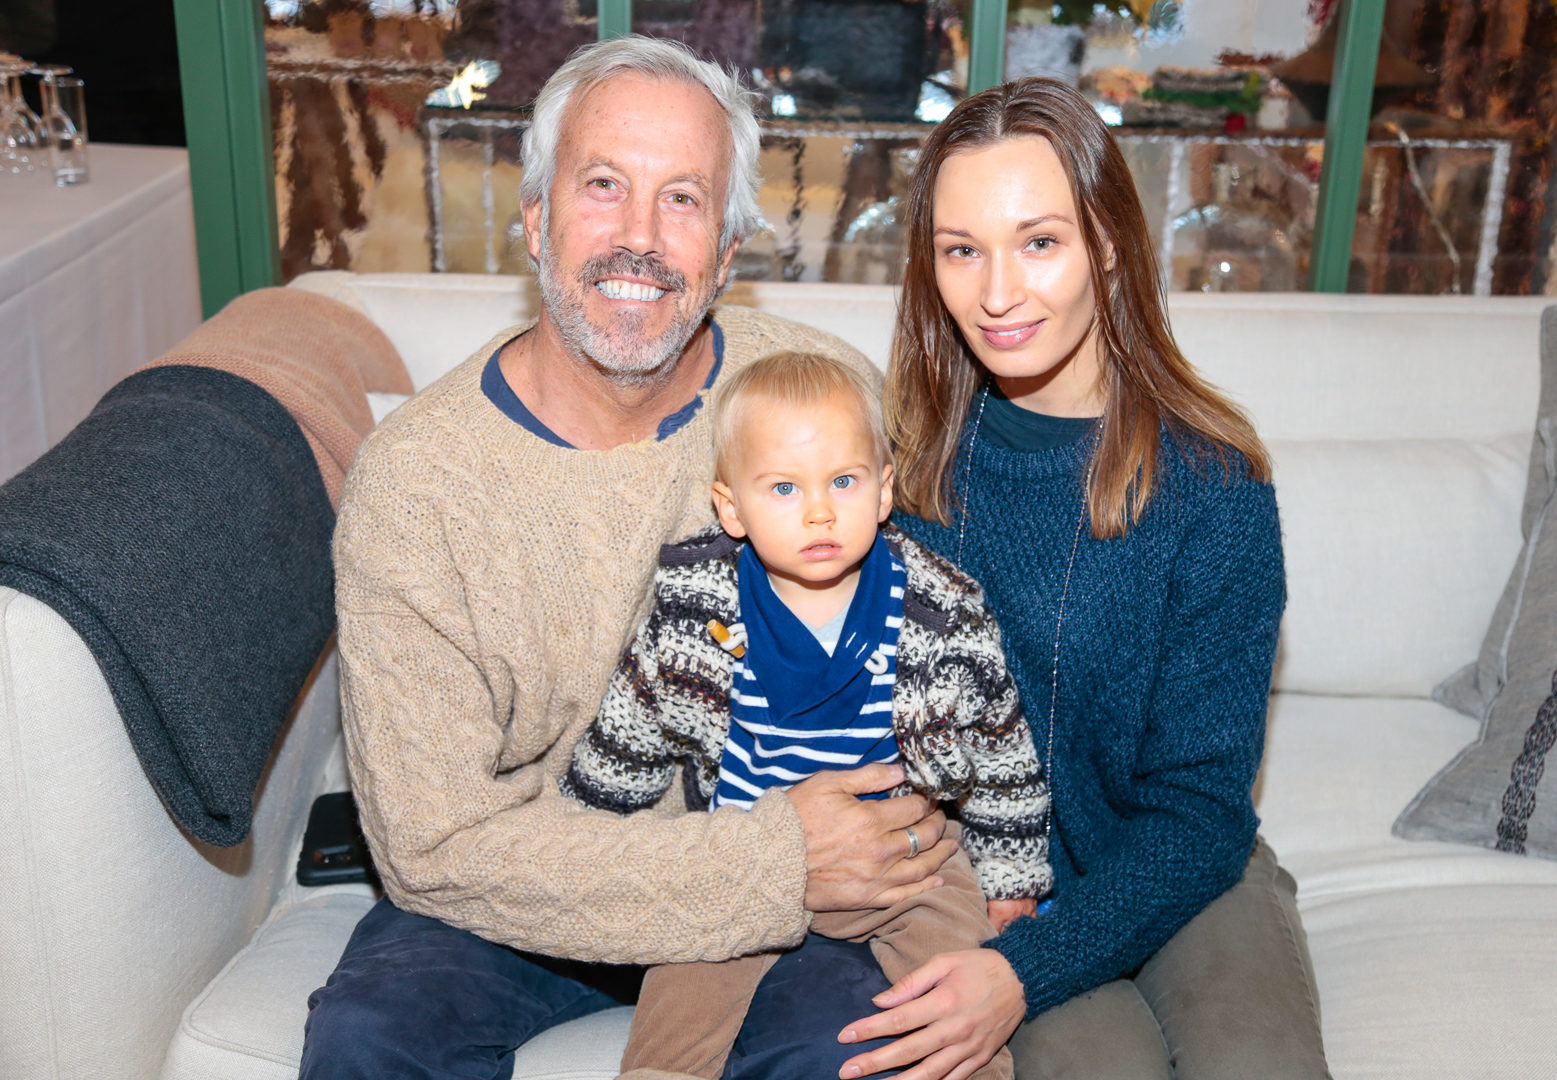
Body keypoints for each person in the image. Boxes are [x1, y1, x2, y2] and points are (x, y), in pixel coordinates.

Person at [300, 37, 968, 1080]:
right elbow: (432, 848)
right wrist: (773, 863)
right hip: (537, 889)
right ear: (535, 220)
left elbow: (937, 649)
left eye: (685, 200)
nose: (640, 241)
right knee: (366, 1041)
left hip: (796, 884)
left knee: (880, 1053)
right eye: (603, 187)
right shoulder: (415, 486)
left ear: (731, 251)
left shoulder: (819, 396)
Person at [846, 78, 1335, 1080]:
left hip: (1181, 869)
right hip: (986, 883)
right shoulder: (900, 476)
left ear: (1108, 246)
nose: (996, 293)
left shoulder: (1215, 489)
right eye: (961, 249)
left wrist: (1034, 968)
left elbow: (1201, 812)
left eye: (1039, 242)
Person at [562, 349, 1052, 1080]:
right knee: (679, 991)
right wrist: (586, 830)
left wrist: (1012, 877)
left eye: (844, 482)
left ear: (884, 491)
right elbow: (633, 721)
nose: (819, 511)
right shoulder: (696, 607)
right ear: (732, 507)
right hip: (751, 864)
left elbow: (1002, 749)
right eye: (784, 488)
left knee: (955, 991)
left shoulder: (943, 611)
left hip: (909, 868)